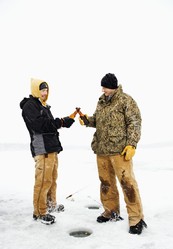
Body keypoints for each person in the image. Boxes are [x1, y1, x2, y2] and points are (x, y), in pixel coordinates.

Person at [79, 73, 147, 234]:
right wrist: (87, 120)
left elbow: (135, 122)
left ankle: (136, 219)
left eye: (106, 87)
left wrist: (132, 144)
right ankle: (111, 211)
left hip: (119, 151)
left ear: (114, 87)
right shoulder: (102, 101)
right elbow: (98, 120)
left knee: (128, 185)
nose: (103, 90)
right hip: (102, 150)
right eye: (102, 87)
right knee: (106, 183)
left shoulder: (125, 100)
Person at [20, 78, 75, 225]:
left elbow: (50, 125)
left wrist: (62, 121)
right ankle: (39, 212)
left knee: (51, 179)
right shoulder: (30, 106)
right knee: (43, 180)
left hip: (51, 148)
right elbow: (40, 125)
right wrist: (61, 122)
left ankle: (51, 204)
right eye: (42, 90)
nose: (45, 93)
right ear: (35, 90)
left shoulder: (43, 106)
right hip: (42, 149)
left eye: (46, 90)